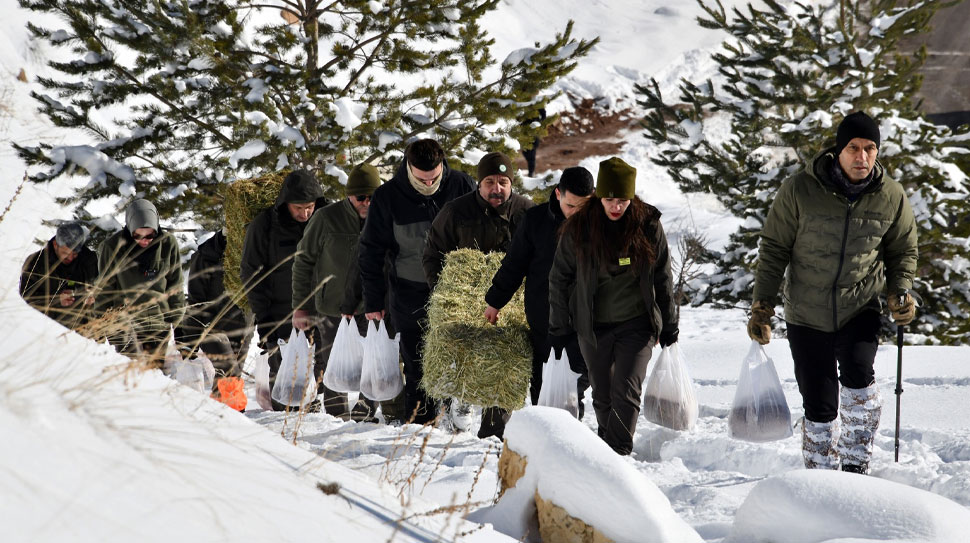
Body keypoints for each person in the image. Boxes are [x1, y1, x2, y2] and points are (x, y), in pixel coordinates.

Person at [748, 111, 918, 474]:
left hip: (860, 306)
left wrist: (899, 291)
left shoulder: (890, 196)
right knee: (820, 404)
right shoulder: (800, 189)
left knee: (859, 380)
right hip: (806, 313)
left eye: (870, 148)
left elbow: (902, 249)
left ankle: (856, 468)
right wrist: (763, 305)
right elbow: (774, 247)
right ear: (838, 151)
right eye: (854, 148)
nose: (862, 157)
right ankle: (822, 481)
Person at [548, 157, 678, 456]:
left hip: (637, 323)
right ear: (599, 197)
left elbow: (662, 277)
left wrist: (669, 325)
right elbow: (559, 278)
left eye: (623, 200)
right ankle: (607, 455)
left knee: (627, 389)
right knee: (603, 396)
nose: (616, 207)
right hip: (593, 326)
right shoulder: (580, 228)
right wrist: (559, 327)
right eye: (609, 199)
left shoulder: (647, 226)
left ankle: (618, 453)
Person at [358, 139, 475, 424]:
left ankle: (452, 415)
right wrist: (373, 300)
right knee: (416, 362)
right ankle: (421, 422)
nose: (429, 183)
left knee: (454, 356)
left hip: (454, 292)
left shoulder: (460, 184)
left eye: (434, 177)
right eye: (422, 179)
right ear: (409, 167)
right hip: (409, 290)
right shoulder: (388, 196)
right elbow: (371, 250)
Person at [423, 151, 535, 438]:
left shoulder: (528, 213)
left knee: (504, 363)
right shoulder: (455, 211)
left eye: (502, 182)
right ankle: (462, 403)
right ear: (478, 183)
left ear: (512, 183)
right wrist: (446, 292)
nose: (496, 189)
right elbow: (433, 253)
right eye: (489, 182)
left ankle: (494, 431)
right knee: (467, 357)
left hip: (509, 305)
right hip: (464, 304)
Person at [484, 167, 594, 419]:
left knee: (572, 388)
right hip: (544, 317)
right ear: (558, 194)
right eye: (570, 206)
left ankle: (568, 439)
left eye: (583, 207)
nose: (576, 214)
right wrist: (495, 302)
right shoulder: (535, 221)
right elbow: (515, 264)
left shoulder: (599, 223)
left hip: (584, 321)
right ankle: (543, 440)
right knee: (542, 385)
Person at [292, 163, 382, 421]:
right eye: (360, 197)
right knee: (333, 363)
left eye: (372, 197)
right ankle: (335, 417)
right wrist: (301, 306)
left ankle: (365, 413)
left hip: (372, 306)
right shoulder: (325, 218)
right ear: (348, 195)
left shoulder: (384, 217)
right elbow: (303, 262)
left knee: (373, 362)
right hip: (332, 307)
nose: (366, 203)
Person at [240, 169, 327, 411]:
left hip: (321, 307)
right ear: (285, 203)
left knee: (323, 368)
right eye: (298, 208)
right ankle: (285, 421)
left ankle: (318, 412)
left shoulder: (324, 220)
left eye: (309, 206)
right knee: (285, 375)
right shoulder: (264, 226)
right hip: (280, 311)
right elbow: (251, 273)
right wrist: (263, 317)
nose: (305, 213)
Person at [97, 199, 186, 364]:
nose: (145, 240)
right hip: (124, 326)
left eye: (150, 235)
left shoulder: (168, 244)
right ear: (130, 228)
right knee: (131, 375)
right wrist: (100, 328)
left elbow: (175, 286)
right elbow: (105, 289)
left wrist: (178, 324)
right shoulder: (112, 247)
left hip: (158, 323)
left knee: (154, 375)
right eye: (138, 235)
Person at [176, 229, 256, 402]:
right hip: (212, 327)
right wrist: (190, 341)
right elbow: (196, 300)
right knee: (229, 372)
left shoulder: (254, 252)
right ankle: (233, 413)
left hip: (244, 325)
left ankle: (220, 416)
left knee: (229, 379)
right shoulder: (206, 256)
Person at [20, 221, 99, 329]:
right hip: (44, 328)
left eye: (74, 254)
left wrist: (92, 297)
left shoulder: (88, 260)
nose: (70, 258)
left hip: (82, 329)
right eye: (65, 253)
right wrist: (57, 299)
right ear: (55, 244)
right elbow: (26, 298)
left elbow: (99, 286)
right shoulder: (35, 262)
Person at [521, 107, 546, 177]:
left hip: (534, 131)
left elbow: (543, 113)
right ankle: (531, 172)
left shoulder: (536, 102)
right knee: (525, 153)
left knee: (531, 156)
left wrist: (539, 122)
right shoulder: (524, 103)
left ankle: (531, 173)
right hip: (524, 131)